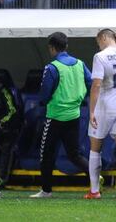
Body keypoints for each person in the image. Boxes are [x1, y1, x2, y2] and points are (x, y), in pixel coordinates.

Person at [30, 32, 91, 198]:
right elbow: (91, 82)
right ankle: (95, 179)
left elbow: (45, 93)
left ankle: (46, 191)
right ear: (66, 46)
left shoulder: (52, 67)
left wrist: (44, 102)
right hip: (74, 115)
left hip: (55, 116)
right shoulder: (80, 64)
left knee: (46, 154)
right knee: (75, 154)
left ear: (51, 48)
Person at [84, 29, 116, 200]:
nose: (98, 45)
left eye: (98, 41)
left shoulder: (100, 56)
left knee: (95, 148)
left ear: (104, 38)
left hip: (104, 106)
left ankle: (94, 190)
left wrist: (91, 111)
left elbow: (96, 85)